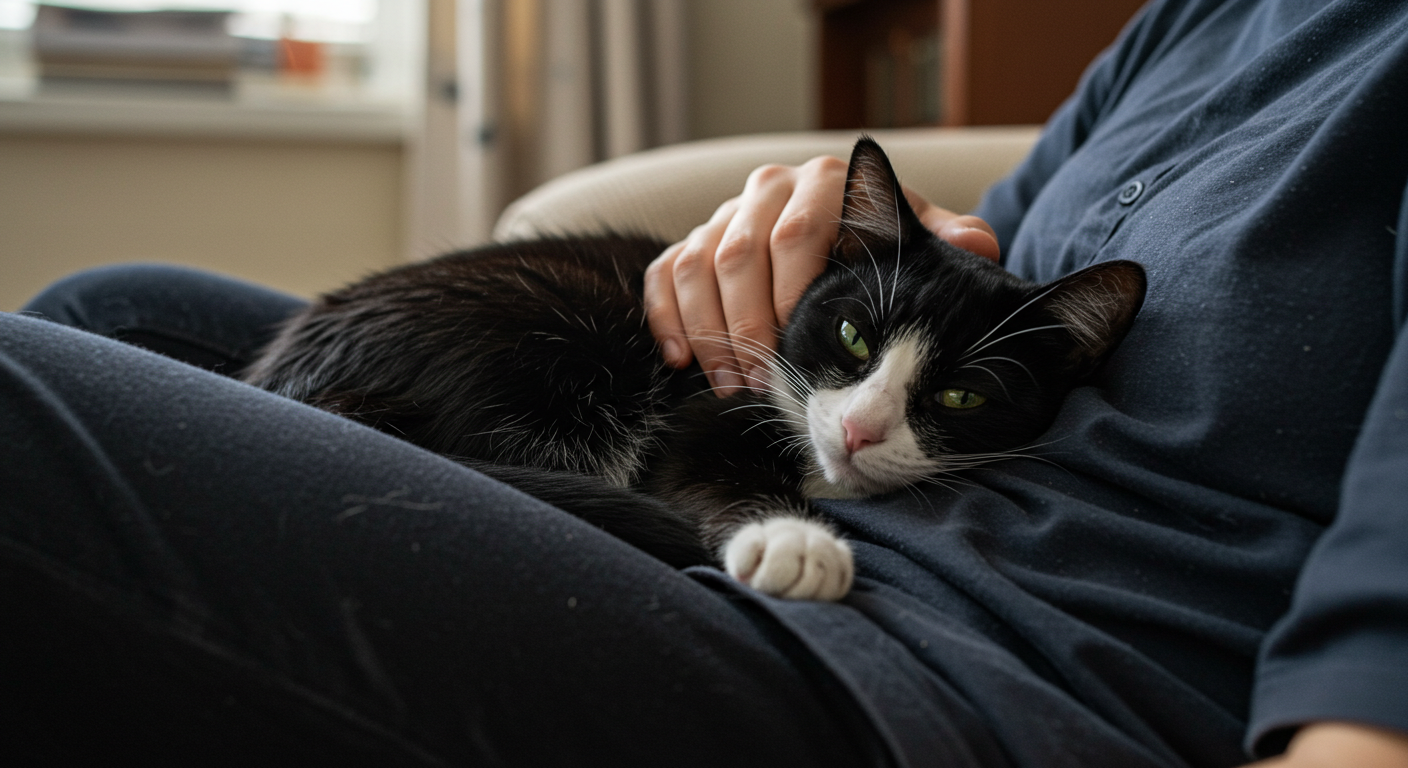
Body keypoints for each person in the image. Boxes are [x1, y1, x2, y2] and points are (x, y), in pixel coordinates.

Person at [3, 0, 1405, 765]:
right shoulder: (1203, 17)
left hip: (952, 667)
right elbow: (989, 252)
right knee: (112, 307)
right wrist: (818, 222)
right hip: (827, 507)